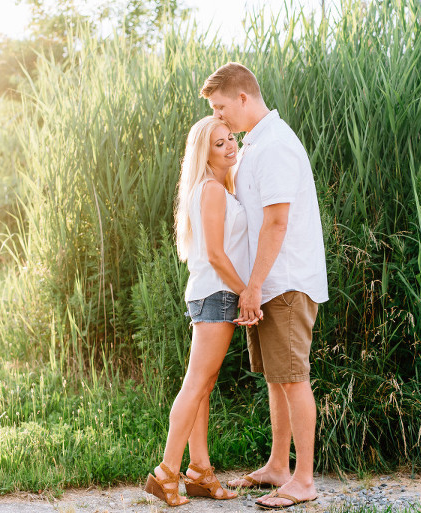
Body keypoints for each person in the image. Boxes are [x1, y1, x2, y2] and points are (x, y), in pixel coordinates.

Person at [200, 62, 328, 509]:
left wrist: (251, 287)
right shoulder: (255, 144)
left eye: (220, 107)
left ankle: (305, 480)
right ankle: (278, 466)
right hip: (269, 282)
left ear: (242, 97)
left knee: (293, 379)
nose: (219, 117)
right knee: (276, 379)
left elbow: (276, 222)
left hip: (286, 281)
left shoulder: (275, 145)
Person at [144, 116, 258, 506]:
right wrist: (246, 292)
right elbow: (214, 254)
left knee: (203, 386)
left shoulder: (211, 187)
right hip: (218, 294)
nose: (229, 147)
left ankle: (199, 472)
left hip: (211, 294)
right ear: (203, 153)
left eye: (230, 140)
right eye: (219, 144)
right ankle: (166, 472)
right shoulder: (210, 190)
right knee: (195, 385)